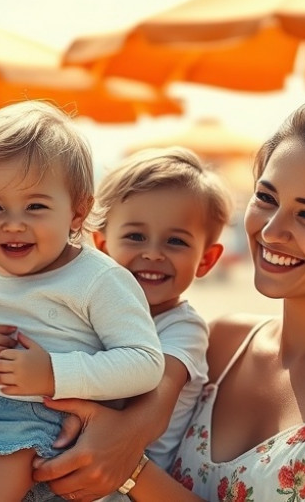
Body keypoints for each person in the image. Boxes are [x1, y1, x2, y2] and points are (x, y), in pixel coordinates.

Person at [32, 95, 305, 501]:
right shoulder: (221, 343)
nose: (269, 231)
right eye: (266, 198)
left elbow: (130, 461)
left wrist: (130, 469)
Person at [0, 100, 164, 501]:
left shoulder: (98, 279)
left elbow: (145, 363)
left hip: (50, 420)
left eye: (36, 206)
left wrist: (54, 374)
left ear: (78, 212)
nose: (14, 223)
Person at [89, 147, 232, 476]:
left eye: (176, 242)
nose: (153, 254)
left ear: (207, 260)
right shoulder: (90, 311)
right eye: (135, 236)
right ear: (102, 244)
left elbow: (151, 414)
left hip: (129, 485)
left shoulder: (182, 329)